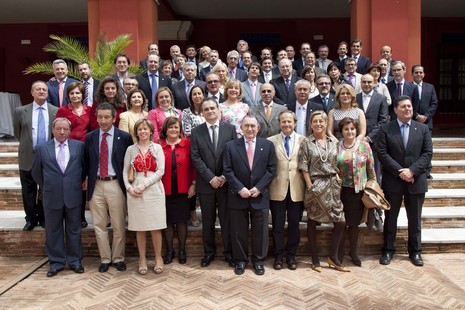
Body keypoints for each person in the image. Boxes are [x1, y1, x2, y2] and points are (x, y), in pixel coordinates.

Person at [377, 96, 433, 267]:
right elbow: (382, 153)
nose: (407, 109)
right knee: (391, 218)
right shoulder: (386, 129)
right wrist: (400, 171)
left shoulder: (422, 129)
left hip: (416, 180)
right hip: (393, 180)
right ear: (395, 110)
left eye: (409, 106)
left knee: (414, 220)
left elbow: (427, 153)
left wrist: (412, 171)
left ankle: (415, 252)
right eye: (403, 106)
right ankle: (388, 250)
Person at [223, 114, 277, 276]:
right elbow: (227, 170)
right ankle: (240, 260)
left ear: (258, 128)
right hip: (237, 195)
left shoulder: (267, 146)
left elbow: (271, 169)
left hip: (259, 195)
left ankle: (258, 261)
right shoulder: (231, 146)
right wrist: (240, 188)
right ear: (241, 127)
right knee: (238, 230)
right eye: (246, 126)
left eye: (253, 126)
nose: (250, 129)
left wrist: (259, 188)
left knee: (260, 230)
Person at [31, 117, 85, 277]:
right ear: (53, 130)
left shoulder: (79, 147)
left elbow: (83, 169)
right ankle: (56, 263)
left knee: (74, 230)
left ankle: (75, 261)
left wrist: (74, 183)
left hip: (73, 195)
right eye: (59, 129)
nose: (62, 132)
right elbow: (35, 172)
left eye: (65, 129)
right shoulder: (42, 148)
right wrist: (48, 185)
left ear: (70, 131)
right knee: (53, 230)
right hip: (51, 196)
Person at [84, 103, 133, 273]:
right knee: (99, 225)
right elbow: (86, 162)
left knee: (119, 225)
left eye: (107, 117)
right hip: (96, 185)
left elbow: (129, 163)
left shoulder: (124, 137)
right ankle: (105, 258)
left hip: (115, 184)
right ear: (96, 118)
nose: (103, 120)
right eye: (100, 117)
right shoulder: (90, 137)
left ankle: (118, 258)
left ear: (113, 118)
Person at [298, 110, 348, 272]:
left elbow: (338, 162)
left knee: (340, 221)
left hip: (333, 184)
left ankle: (333, 257)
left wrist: (338, 179)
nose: (318, 124)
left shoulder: (333, 142)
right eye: (315, 121)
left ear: (326, 124)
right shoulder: (306, 142)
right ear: (310, 125)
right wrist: (310, 185)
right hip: (316, 184)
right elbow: (303, 166)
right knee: (312, 220)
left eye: (321, 121)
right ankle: (314, 259)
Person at [190, 98, 237, 268]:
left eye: (212, 108)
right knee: (208, 221)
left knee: (226, 221)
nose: (210, 111)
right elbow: (195, 157)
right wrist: (211, 177)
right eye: (206, 109)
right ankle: (209, 253)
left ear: (219, 110)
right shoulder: (196, 132)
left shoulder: (230, 130)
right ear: (202, 112)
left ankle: (229, 253)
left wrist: (224, 177)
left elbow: (233, 155)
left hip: (226, 184)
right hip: (206, 184)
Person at [123, 119, 166, 275]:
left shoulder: (158, 148)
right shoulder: (130, 150)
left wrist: (144, 184)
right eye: (140, 129)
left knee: (155, 227)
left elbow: (161, 171)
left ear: (151, 131)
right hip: (135, 189)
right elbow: (124, 171)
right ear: (136, 132)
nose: (143, 132)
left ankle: (158, 258)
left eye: (145, 129)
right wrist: (129, 188)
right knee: (139, 228)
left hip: (154, 189)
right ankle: (142, 259)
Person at [14, 81, 58, 231]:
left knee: (45, 188)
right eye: (38, 89)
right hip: (28, 156)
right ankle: (31, 219)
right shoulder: (21, 111)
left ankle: (44, 217)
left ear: (47, 93)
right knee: (28, 189)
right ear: (32, 92)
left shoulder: (55, 111)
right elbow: (18, 133)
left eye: (44, 89)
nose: (41, 91)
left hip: (47, 156)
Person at [336, 117, 376, 267]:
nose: (349, 131)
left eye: (352, 128)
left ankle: (353, 253)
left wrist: (372, 186)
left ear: (356, 130)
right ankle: (338, 253)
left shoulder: (364, 146)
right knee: (340, 223)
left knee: (353, 225)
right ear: (342, 132)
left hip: (357, 191)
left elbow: (371, 169)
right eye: (346, 129)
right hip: (339, 191)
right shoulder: (336, 146)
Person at [268, 110, 305, 270]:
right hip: (277, 189)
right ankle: (278, 257)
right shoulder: (270, 141)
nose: (286, 124)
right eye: (283, 121)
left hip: (297, 189)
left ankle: (291, 256)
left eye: (289, 121)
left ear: (295, 123)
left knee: (294, 226)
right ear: (279, 123)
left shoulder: (303, 141)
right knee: (277, 226)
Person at [159, 117, 196, 265]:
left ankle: (182, 250)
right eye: (170, 127)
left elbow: (194, 166)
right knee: (167, 221)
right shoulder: (158, 146)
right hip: (164, 190)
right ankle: (169, 251)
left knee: (181, 221)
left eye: (176, 127)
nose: (173, 130)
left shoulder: (187, 144)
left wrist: (193, 184)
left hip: (183, 189)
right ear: (165, 130)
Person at [56, 81, 92, 228]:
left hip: (85, 151)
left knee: (82, 184)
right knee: (70, 183)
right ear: (68, 95)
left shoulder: (90, 110)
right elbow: (58, 130)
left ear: (82, 95)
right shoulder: (63, 111)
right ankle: (67, 215)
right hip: (68, 150)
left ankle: (81, 215)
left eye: (78, 93)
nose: (75, 95)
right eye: (72, 93)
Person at [356, 74, 389, 181]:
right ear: (360, 83)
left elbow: (383, 121)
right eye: (364, 82)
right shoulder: (354, 98)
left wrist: (368, 137)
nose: (366, 84)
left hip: (374, 142)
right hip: (356, 141)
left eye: (369, 82)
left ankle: (375, 196)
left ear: (374, 83)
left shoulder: (381, 98)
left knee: (374, 172)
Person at [181, 85, 205, 227]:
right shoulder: (186, 112)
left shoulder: (209, 108)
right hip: (193, 150)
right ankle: (192, 212)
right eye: (194, 94)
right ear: (191, 97)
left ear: (203, 95)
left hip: (209, 151)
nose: (197, 96)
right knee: (192, 182)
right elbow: (187, 131)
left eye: (199, 93)